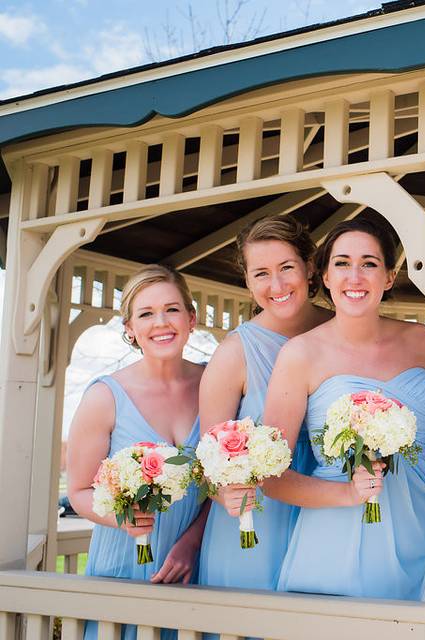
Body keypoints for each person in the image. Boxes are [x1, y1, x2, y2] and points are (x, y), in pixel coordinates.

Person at [262, 218, 425, 601]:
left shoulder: (424, 341)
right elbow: (271, 477)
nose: (354, 276)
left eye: (369, 263)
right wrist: (348, 495)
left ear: (389, 277)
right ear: (323, 275)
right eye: (341, 263)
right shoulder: (300, 355)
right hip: (338, 534)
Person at [66, 265, 205, 640]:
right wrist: (120, 518)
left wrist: (194, 541)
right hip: (123, 568)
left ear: (191, 318)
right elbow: (79, 491)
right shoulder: (104, 397)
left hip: (195, 571)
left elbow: (224, 479)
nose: (161, 322)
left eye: (172, 309)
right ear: (129, 328)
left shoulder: (215, 383)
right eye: (146, 313)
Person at [196, 215, 332, 591]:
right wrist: (226, 492)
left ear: (308, 267)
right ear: (247, 281)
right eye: (261, 273)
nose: (276, 285)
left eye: (287, 267)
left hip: (334, 519)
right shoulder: (235, 353)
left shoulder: (342, 332)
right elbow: (208, 460)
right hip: (256, 525)